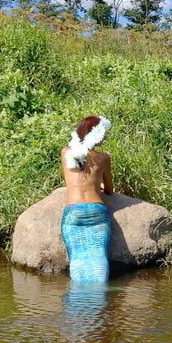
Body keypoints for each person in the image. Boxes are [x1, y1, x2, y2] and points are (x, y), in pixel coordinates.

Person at [60, 115, 113, 282]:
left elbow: (69, 180)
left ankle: (78, 304)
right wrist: (99, 187)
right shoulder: (103, 158)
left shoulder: (65, 153)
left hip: (73, 212)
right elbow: (110, 190)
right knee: (99, 259)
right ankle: (99, 301)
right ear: (95, 134)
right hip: (97, 211)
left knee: (77, 259)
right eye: (103, 133)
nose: (105, 136)